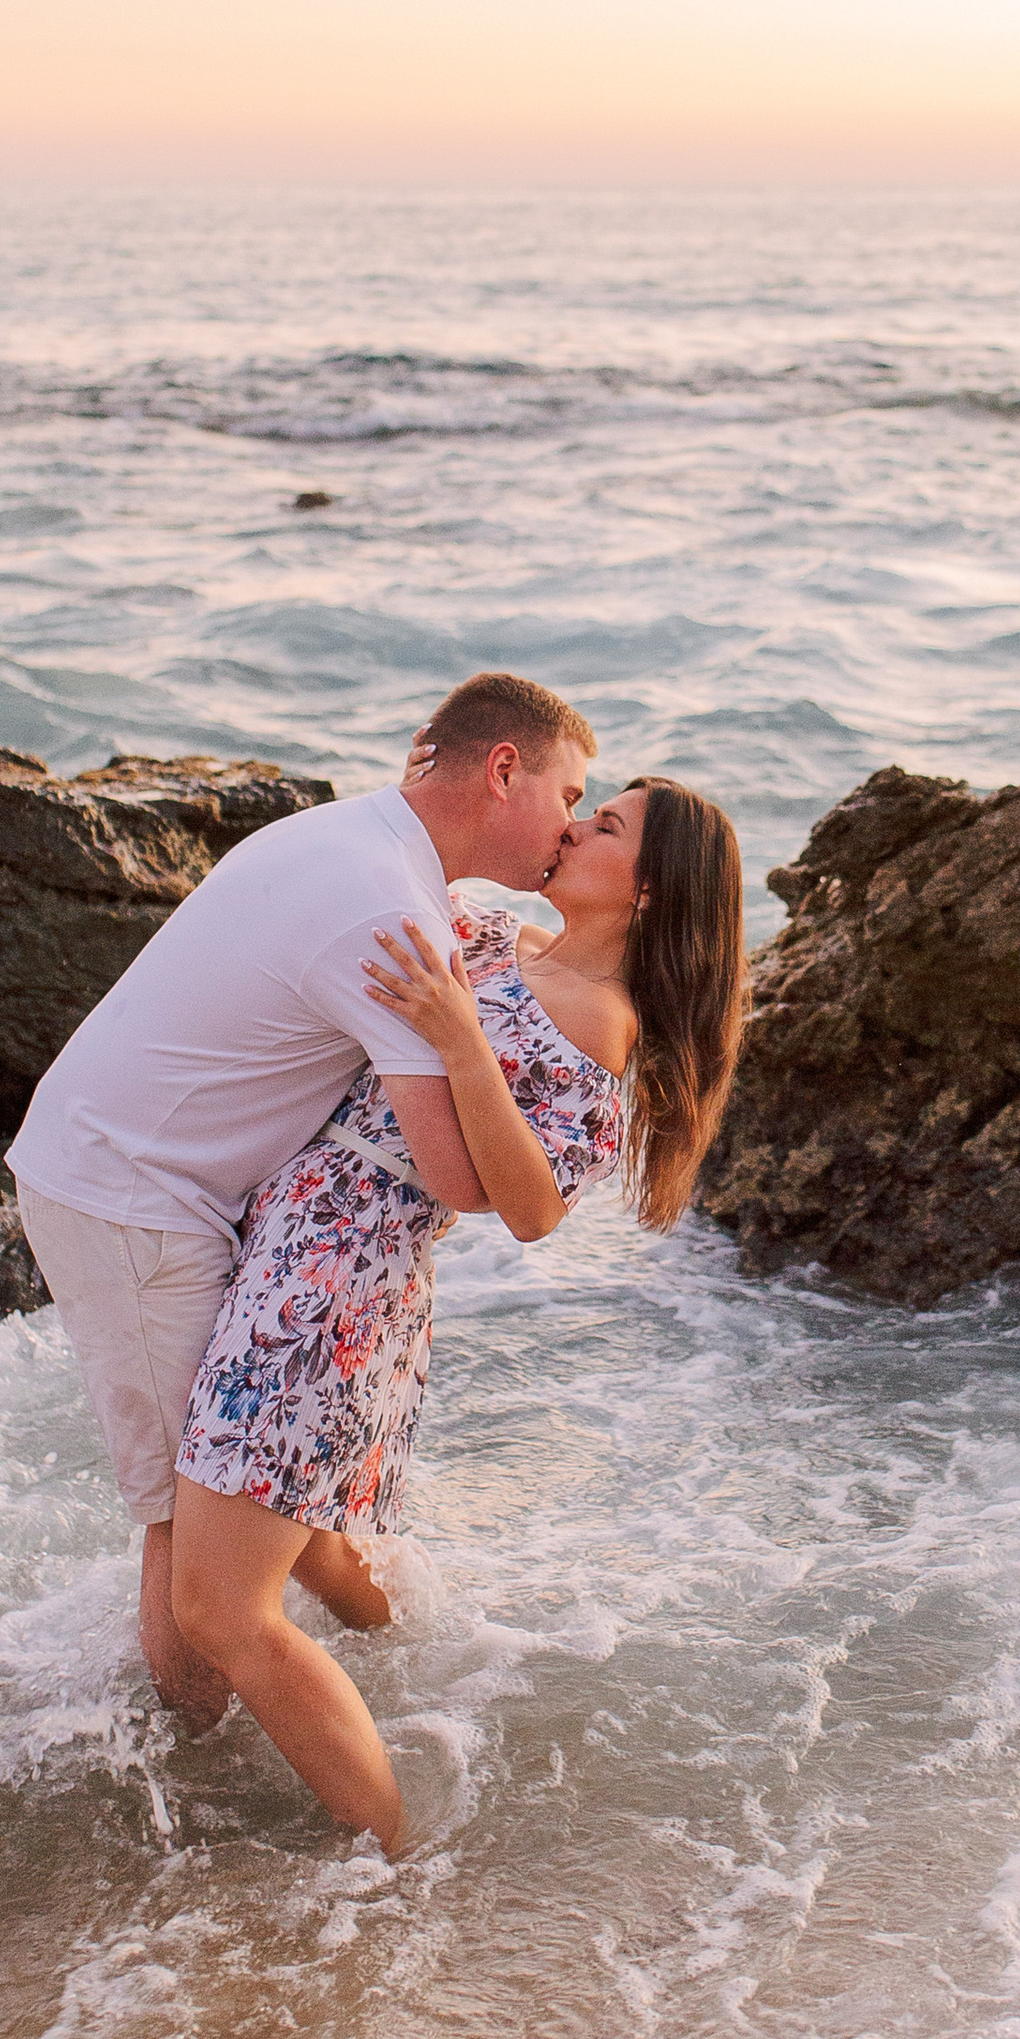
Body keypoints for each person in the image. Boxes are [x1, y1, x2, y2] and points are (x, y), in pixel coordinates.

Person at [168, 770, 746, 1853]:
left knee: (220, 1607)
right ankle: (431, 1667)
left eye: (606, 826)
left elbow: (530, 1207)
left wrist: (461, 1036)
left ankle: (390, 1851)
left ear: (651, 891)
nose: (574, 827)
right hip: (283, 1236)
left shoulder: (602, 1024)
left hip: (336, 1284)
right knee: (311, 1547)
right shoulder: (486, 931)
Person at [8, 672, 600, 1721]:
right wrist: (472, 1046)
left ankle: (328, 1693)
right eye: (569, 795)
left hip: (133, 1169)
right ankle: (194, 1770)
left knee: (238, 1519)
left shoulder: (358, 841)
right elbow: (455, 1181)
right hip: (130, 1198)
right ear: (505, 770)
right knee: (188, 1531)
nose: (570, 826)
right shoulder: (394, 912)